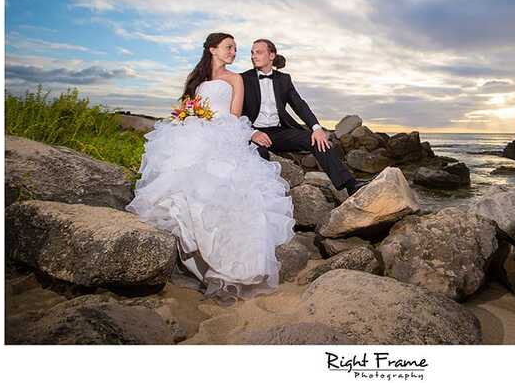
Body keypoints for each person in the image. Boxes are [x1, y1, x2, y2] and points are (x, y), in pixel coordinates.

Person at [126, 33, 295, 302]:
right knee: (179, 180)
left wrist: (217, 126)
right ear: (212, 49)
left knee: (223, 186)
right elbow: (187, 106)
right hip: (193, 130)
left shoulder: (235, 79)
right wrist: (188, 115)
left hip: (221, 132)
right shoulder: (197, 81)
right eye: (229, 48)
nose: (233, 53)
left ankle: (228, 262)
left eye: (236, 49)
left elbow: (234, 115)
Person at [241, 39, 363, 196]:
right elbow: (237, 113)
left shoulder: (284, 79)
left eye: (258, 52)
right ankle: (265, 199)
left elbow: (299, 105)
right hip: (254, 132)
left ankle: (350, 184)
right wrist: (252, 133)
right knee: (259, 153)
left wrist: (316, 128)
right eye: (252, 52)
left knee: (316, 140)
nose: (253, 56)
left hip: (279, 133)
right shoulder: (243, 79)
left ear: (272, 55)